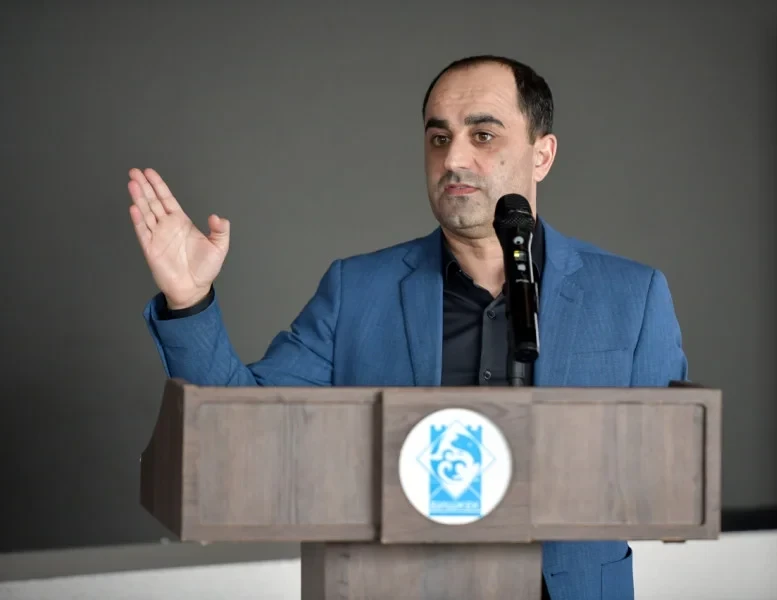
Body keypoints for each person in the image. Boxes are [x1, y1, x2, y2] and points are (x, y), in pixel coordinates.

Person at [127, 55, 687, 600]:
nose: (454, 159)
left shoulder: (632, 296)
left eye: (483, 136)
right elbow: (238, 432)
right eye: (439, 138)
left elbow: (669, 477)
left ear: (542, 155)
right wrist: (189, 299)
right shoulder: (355, 291)